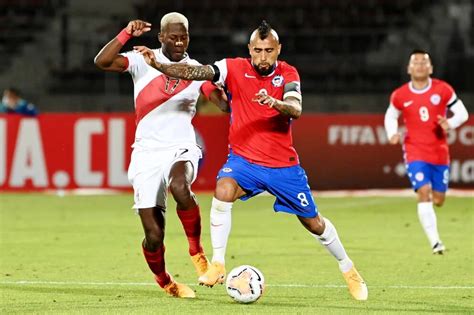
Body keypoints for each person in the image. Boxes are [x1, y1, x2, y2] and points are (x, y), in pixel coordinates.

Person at [135, 20, 368, 301]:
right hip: (244, 161)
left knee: (314, 223)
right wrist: (161, 66)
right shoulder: (232, 67)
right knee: (223, 190)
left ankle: (348, 269)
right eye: (257, 50)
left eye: (269, 50)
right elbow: (198, 72)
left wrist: (275, 103)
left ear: (278, 49)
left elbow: (296, 108)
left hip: (282, 165)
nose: (263, 57)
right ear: (249, 49)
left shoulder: (287, 73)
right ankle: (218, 264)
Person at [94, 12, 222, 298]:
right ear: (161, 37)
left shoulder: (195, 69)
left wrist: (225, 94)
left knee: (180, 186)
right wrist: (126, 33)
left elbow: (219, 101)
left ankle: (197, 251)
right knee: (154, 236)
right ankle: (165, 281)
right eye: (173, 36)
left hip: (181, 145)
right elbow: (101, 62)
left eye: (184, 36)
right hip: (146, 153)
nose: (179, 41)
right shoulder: (141, 59)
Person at [384, 49, 469, 255]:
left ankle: (435, 213)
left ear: (430, 68)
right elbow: (391, 115)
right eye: (416, 62)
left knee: (438, 199)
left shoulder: (443, 90)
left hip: (439, 151)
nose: (420, 65)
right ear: (408, 68)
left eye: (424, 62)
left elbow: (462, 113)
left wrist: (450, 123)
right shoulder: (400, 95)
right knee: (423, 192)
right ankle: (435, 242)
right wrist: (392, 133)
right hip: (414, 150)